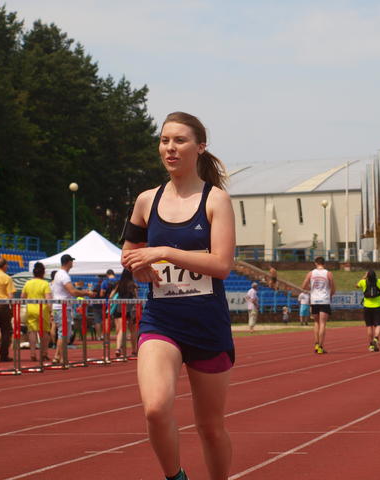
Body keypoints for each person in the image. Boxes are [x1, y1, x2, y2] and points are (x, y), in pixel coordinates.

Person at [121, 111, 235, 480]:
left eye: (180, 140)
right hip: (162, 321)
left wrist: (164, 252)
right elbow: (129, 252)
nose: (170, 148)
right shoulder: (146, 200)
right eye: (164, 140)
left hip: (207, 325)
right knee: (155, 409)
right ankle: (176, 477)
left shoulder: (216, 200)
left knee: (210, 427)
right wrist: (137, 265)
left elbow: (221, 265)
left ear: (199, 147)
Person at [50, 254, 95, 363]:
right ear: (68, 262)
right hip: (62, 307)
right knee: (64, 333)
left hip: (60, 307)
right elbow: (73, 291)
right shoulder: (63, 275)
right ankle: (61, 358)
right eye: (71, 261)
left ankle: (58, 356)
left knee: (64, 333)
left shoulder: (59, 274)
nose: (73, 263)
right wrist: (87, 293)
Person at [302, 256, 335, 354]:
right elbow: (333, 288)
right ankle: (320, 346)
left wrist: (312, 289)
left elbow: (303, 286)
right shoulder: (328, 273)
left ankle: (316, 344)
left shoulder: (311, 273)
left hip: (314, 300)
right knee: (323, 323)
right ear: (324, 263)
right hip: (324, 300)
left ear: (316, 263)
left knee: (316, 323)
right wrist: (330, 295)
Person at [21, 262, 52, 361]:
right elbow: (48, 299)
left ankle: (33, 353)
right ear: (43, 273)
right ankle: (44, 353)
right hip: (42, 310)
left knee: (32, 332)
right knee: (44, 332)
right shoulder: (45, 283)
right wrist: (51, 311)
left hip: (31, 309)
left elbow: (22, 297)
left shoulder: (28, 283)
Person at [109, 269, 139, 357]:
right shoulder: (133, 285)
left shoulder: (119, 284)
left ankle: (118, 348)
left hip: (119, 308)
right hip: (129, 309)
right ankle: (134, 350)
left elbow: (111, 296)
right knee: (133, 330)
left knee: (121, 330)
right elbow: (136, 297)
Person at [356, 270, 380, 352]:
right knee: (379, 324)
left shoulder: (363, 282)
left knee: (369, 326)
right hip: (378, 306)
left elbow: (356, 286)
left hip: (367, 307)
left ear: (367, 276)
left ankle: (371, 346)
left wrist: (364, 277)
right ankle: (376, 338)